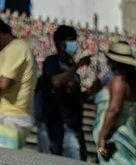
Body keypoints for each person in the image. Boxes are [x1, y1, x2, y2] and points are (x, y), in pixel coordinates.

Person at [36, 24, 96, 160]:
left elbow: (74, 96)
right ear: (60, 43)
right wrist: (78, 65)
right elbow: (56, 82)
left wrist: (89, 94)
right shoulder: (52, 62)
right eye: (71, 40)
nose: (74, 44)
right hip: (55, 126)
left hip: (72, 125)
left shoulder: (70, 67)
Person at [0, 17, 39, 150]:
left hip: (10, 116)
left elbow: (4, 83)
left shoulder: (13, 49)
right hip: (20, 115)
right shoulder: (23, 47)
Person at [93, 42, 136, 165]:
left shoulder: (119, 80)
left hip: (116, 136)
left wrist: (102, 136)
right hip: (129, 134)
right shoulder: (134, 81)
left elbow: (114, 109)